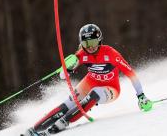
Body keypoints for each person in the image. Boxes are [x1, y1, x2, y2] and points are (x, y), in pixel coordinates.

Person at [23, 24, 153, 136]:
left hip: (111, 89)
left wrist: (141, 95)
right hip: (89, 82)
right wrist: (67, 70)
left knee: (95, 93)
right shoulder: (80, 55)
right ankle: (34, 129)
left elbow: (131, 74)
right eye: (86, 44)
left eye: (93, 43)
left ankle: (62, 123)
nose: (90, 47)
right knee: (68, 104)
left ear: (99, 41)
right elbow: (63, 76)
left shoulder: (111, 54)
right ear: (82, 44)